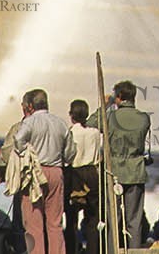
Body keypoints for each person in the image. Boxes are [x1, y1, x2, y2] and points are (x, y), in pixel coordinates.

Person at [87, 80, 151, 249]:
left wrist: (105, 103)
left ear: (119, 96)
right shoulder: (144, 118)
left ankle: (112, 250)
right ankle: (135, 251)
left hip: (114, 171)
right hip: (136, 169)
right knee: (134, 220)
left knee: (113, 219)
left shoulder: (110, 117)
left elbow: (91, 122)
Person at [13, 88, 71, 254]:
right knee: (55, 222)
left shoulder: (30, 122)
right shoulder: (60, 123)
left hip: (35, 172)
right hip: (56, 171)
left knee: (33, 222)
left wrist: (26, 153)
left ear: (30, 105)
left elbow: (18, 141)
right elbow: (70, 152)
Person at [64, 100, 101, 254]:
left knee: (71, 219)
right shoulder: (95, 133)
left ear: (72, 115)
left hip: (75, 174)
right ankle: (93, 250)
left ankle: (71, 249)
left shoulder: (71, 132)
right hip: (92, 173)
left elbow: (66, 156)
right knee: (92, 219)